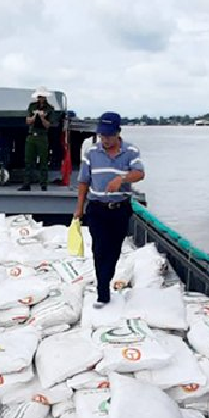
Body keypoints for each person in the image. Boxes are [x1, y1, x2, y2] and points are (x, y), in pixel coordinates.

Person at [73, 111, 145, 307]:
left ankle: (106, 278)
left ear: (118, 132)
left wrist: (121, 179)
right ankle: (102, 292)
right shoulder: (91, 154)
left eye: (109, 135)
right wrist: (79, 209)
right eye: (102, 135)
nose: (105, 139)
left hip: (120, 208)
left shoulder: (131, 151)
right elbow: (83, 182)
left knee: (113, 251)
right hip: (97, 208)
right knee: (99, 249)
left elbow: (139, 173)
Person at [19, 87, 53, 191]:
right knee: (28, 161)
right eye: (39, 96)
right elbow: (27, 121)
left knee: (43, 161)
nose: (40, 98)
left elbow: (48, 125)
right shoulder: (32, 106)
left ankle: (43, 184)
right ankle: (26, 184)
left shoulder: (50, 108)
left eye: (41, 96)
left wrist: (42, 117)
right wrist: (34, 116)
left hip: (42, 136)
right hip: (31, 135)